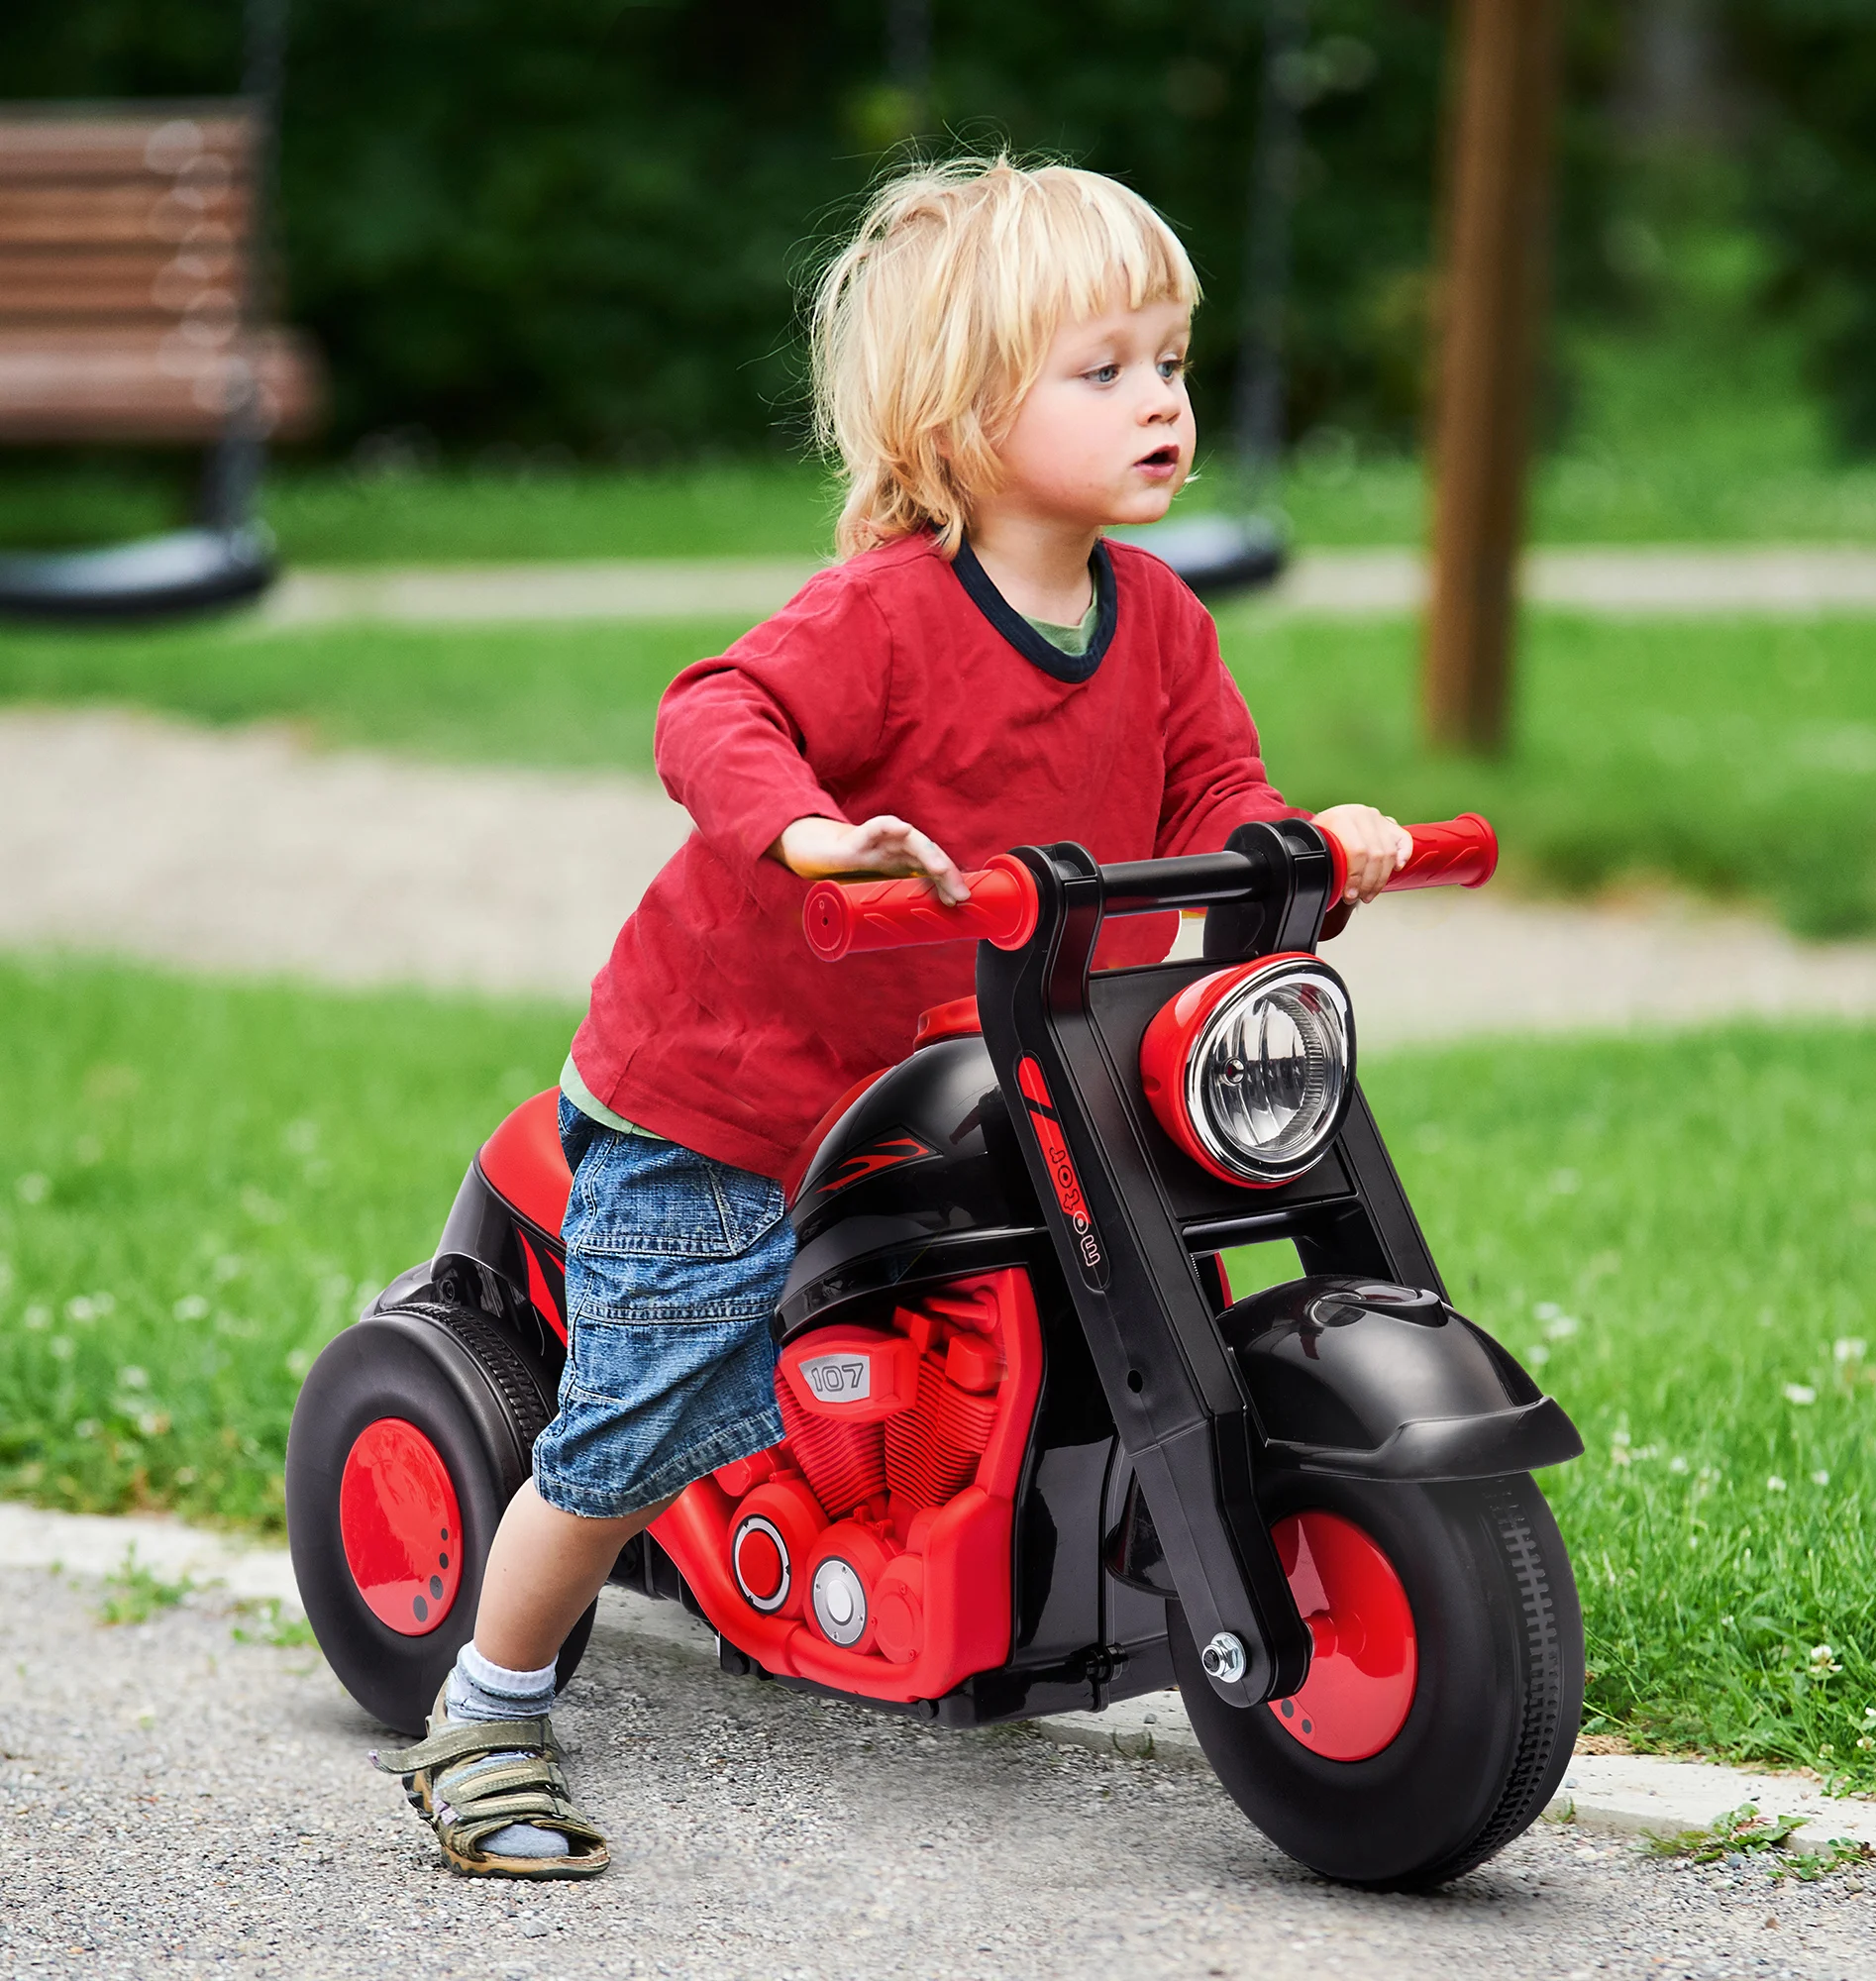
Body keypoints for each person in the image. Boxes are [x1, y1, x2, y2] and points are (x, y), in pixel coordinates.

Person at [377, 156, 1411, 1879]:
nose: (1161, 401)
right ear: (962, 416)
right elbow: (718, 709)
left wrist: (1307, 844)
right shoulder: (889, 614)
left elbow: (1215, 796)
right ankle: (487, 1712)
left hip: (981, 1078)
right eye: (1104, 370)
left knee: (1146, 1267)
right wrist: (806, 831)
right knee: (640, 1418)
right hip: (736, 1093)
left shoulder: (1158, 621)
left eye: (1170, 361)